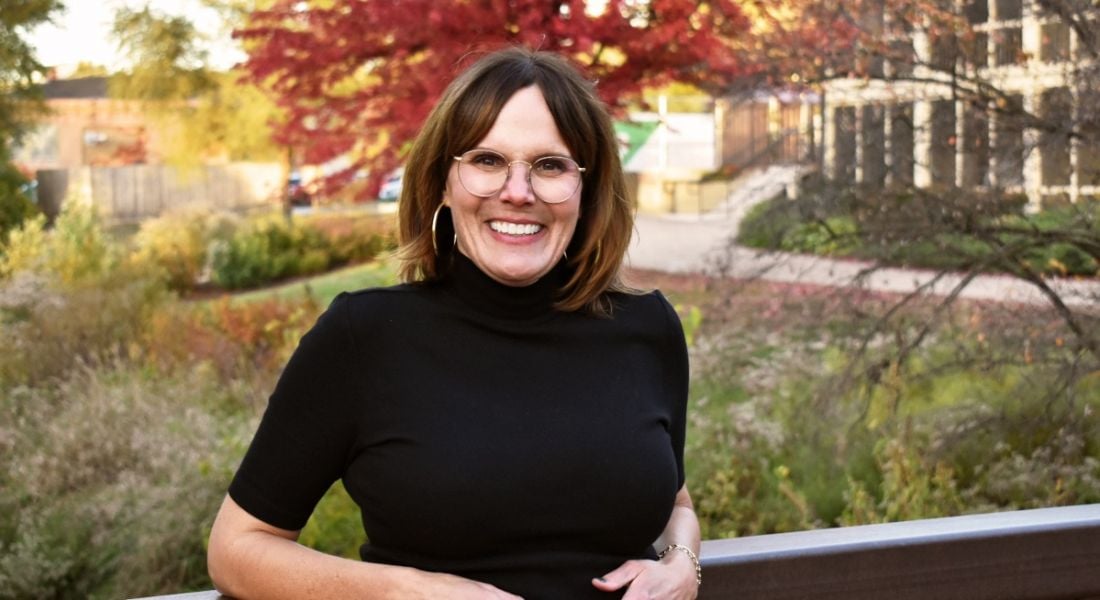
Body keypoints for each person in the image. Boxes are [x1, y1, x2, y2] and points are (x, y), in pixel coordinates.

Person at [207, 47, 701, 600]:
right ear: (444, 181)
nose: (518, 192)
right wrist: (404, 591)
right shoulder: (365, 337)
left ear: (585, 192)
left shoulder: (647, 328)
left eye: (550, 165)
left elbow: (675, 502)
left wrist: (682, 561)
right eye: (487, 161)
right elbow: (236, 548)